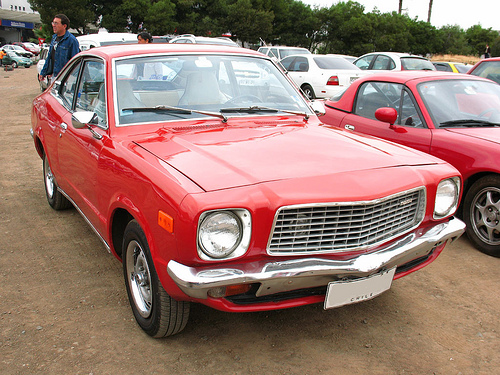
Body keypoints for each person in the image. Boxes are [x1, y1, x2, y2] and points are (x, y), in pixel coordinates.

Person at [39, 14, 79, 84]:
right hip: (55, 77)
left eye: (56, 23)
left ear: (64, 26)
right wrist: (43, 72)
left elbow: (75, 62)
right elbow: (49, 57)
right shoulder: (54, 38)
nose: (53, 25)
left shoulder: (71, 40)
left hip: (66, 79)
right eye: (53, 23)